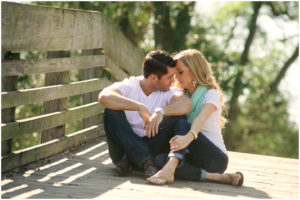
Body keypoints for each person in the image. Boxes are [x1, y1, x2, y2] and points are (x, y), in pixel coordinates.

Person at [146, 49, 244, 186]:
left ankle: (172, 166)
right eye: (175, 74)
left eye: (180, 72)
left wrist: (188, 137)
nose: (176, 77)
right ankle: (217, 178)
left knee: (182, 124)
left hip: (215, 158)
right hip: (191, 155)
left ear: (194, 70)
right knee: (159, 160)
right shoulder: (181, 97)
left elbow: (201, 118)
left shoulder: (211, 94)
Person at [98, 50, 192, 179]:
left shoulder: (169, 91)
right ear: (153, 77)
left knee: (179, 116)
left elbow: (186, 104)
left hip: (141, 156)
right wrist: (138, 106)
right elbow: (104, 97)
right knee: (110, 111)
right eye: (169, 77)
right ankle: (144, 159)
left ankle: (135, 159)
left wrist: (161, 112)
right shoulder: (131, 85)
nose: (173, 80)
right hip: (122, 153)